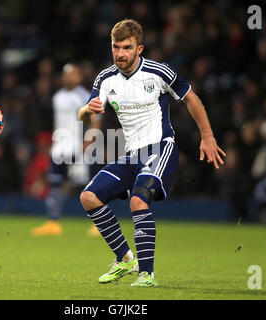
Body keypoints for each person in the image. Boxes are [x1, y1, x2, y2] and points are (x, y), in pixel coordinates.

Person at [78, 19, 226, 287]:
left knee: (138, 201)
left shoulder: (159, 72)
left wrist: (207, 136)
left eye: (126, 47)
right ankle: (125, 259)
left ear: (139, 48)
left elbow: (190, 98)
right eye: (115, 47)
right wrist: (87, 113)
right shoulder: (105, 78)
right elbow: (86, 114)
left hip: (161, 147)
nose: (120, 53)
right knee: (88, 197)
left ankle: (147, 275)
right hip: (132, 154)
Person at [31, 63, 100, 236]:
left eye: (72, 74)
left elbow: (96, 121)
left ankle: (99, 224)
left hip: (78, 148)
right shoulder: (58, 96)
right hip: (60, 147)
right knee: (55, 183)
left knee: (87, 187)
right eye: (66, 74)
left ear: (79, 77)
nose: (68, 77)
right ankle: (53, 222)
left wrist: (87, 143)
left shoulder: (84, 96)